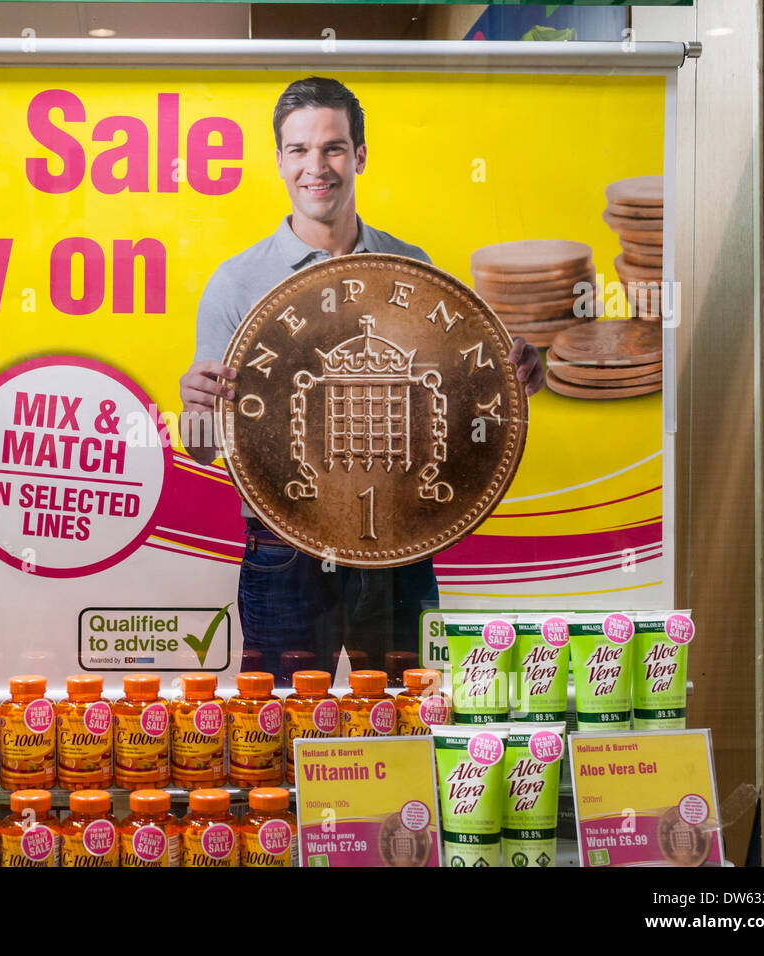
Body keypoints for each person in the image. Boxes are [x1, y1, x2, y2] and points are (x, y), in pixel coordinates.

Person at [180, 77, 545, 686]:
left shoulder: (414, 268)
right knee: (278, 727)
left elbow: (457, 419)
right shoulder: (235, 282)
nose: (315, 167)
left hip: (400, 549)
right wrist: (193, 408)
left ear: (360, 156)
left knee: (408, 719)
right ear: (279, 159)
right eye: (298, 150)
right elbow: (206, 446)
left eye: (332, 148)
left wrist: (512, 381)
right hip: (283, 549)